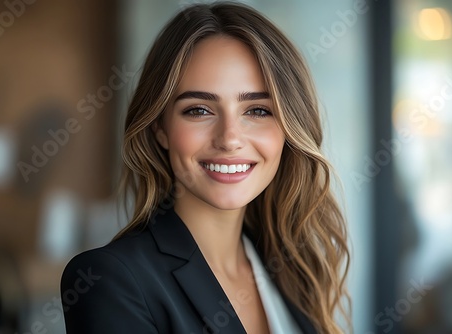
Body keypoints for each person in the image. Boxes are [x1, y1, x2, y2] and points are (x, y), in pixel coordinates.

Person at [61, 2, 350, 333]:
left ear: (289, 128)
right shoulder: (109, 280)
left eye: (257, 111)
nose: (229, 139)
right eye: (199, 110)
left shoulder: (293, 269)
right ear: (160, 127)